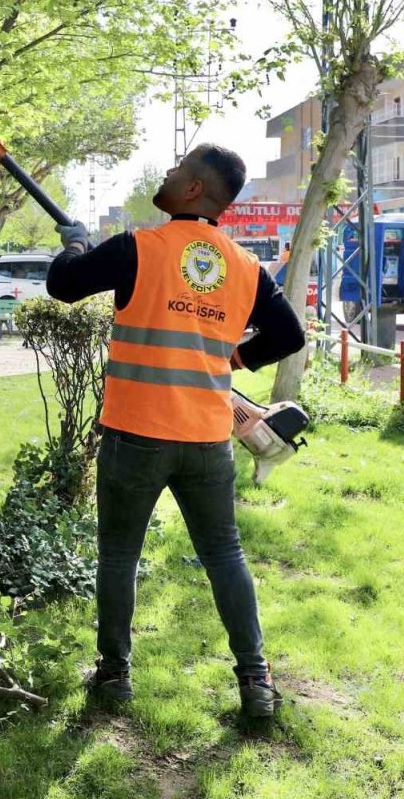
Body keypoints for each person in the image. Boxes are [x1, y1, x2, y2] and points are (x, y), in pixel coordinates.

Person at [47, 144, 305, 718]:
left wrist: (74, 243)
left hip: (134, 434)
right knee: (224, 553)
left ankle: (114, 676)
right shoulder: (243, 266)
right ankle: (256, 679)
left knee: (117, 554)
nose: (167, 172)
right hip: (207, 441)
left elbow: (64, 285)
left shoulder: (140, 248)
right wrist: (234, 362)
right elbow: (288, 335)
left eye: (177, 168)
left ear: (194, 189)